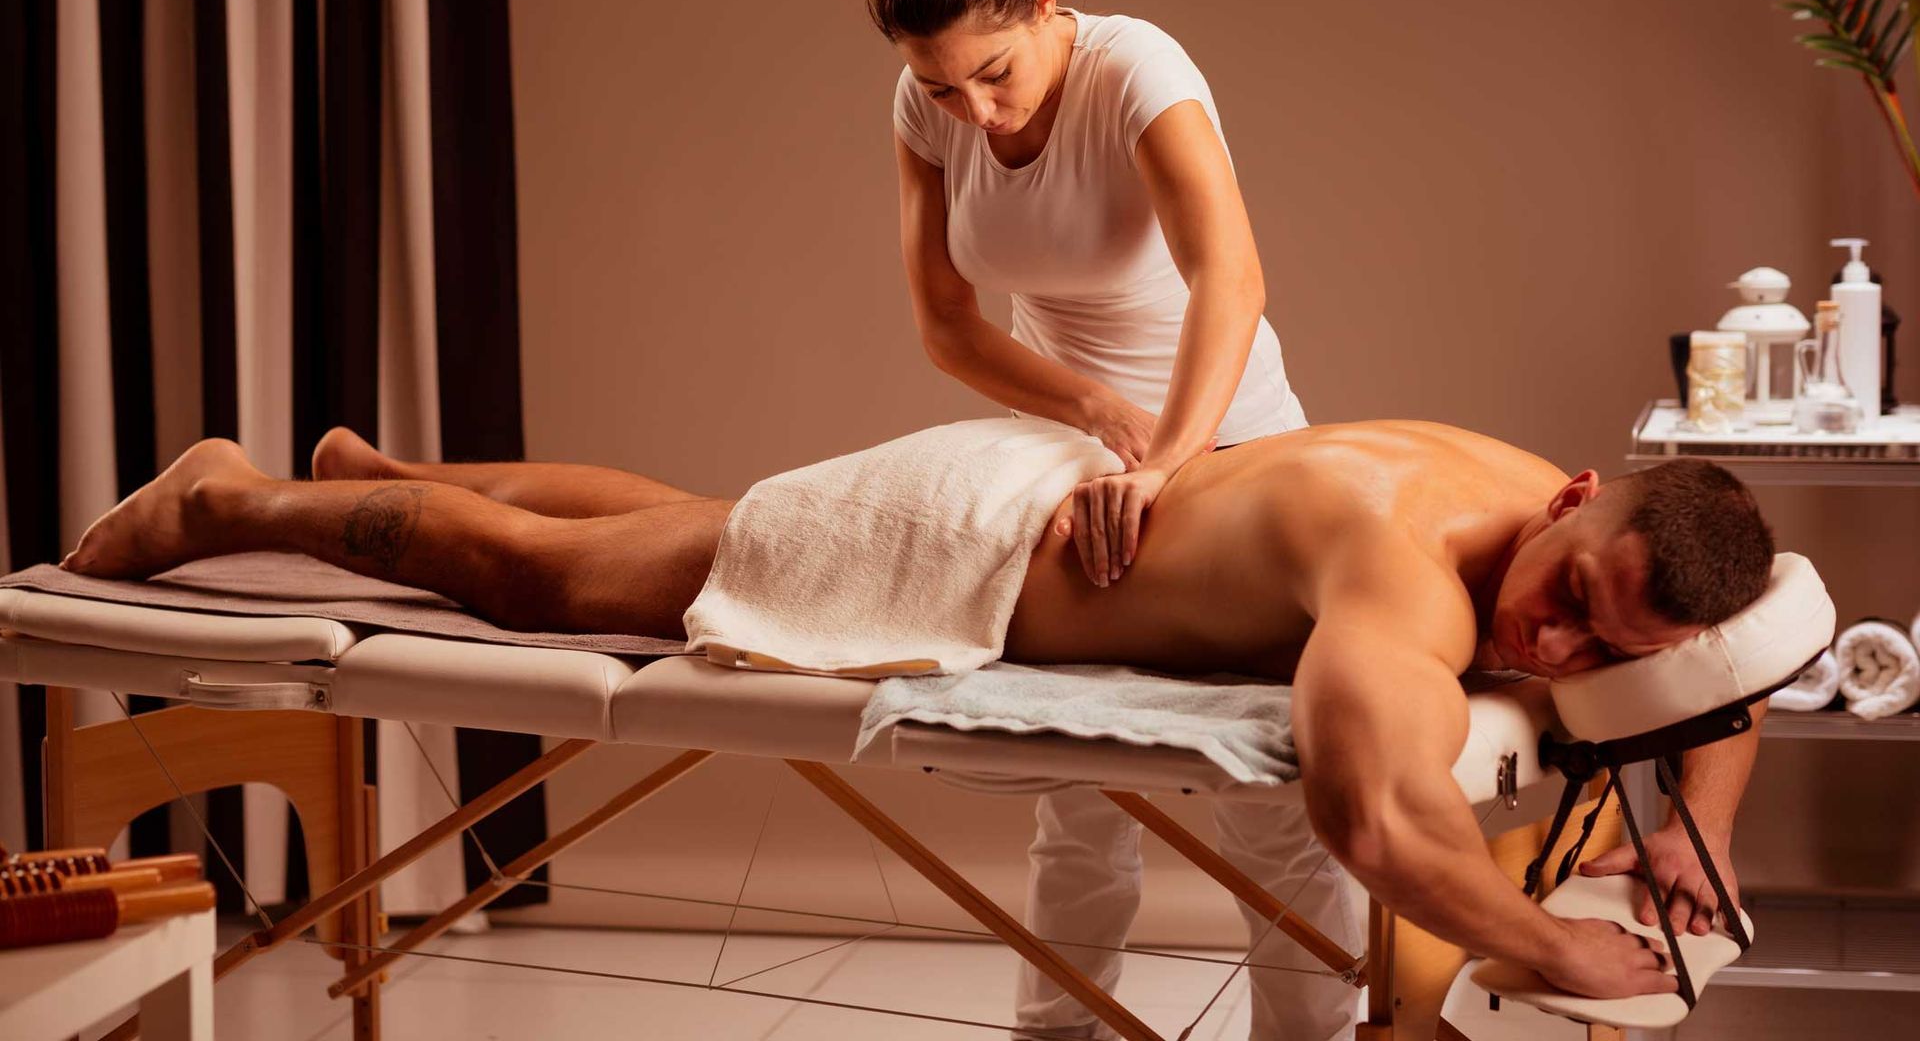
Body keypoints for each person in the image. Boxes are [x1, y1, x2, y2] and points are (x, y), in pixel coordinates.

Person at [63, 420, 1773, 1008]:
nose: (1550, 649)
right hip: (960, 549)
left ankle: (388, 474)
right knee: (559, 588)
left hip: (1019, 504)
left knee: (690, 528)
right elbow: (1375, 823)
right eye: (1565, 601)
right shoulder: (1407, 574)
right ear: (1575, 500)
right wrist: (1550, 949)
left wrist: (1710, 843)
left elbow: (1723, 681)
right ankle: (231, 507)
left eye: (1594, 642)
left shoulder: (1562, 517)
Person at [861, 0, 1334, 1038]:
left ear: (1044, 2)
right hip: (1081, 455)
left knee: (1263, 783)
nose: (976, 107)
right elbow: (949, 326)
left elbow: (1232, 277)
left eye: (998, 74)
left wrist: (1170, 449)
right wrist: (1097, 416)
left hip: (1227, 442)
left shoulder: (1137, 68)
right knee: (1070, 772)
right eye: (944, 85)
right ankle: (1059, 1028)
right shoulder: (924, 100)